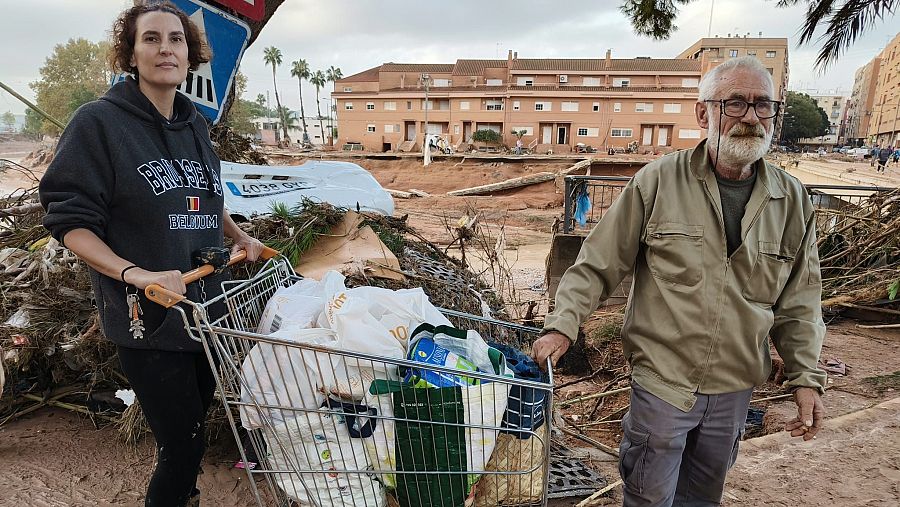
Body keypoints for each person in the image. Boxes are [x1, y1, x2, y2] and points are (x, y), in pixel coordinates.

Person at [532, 56, 826, 506]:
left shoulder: (792, 201)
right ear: (703, 112)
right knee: (649, 497)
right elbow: (598, 263)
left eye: (763, 105)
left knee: (702, 498)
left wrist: (806, 376)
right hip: (663, 382)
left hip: (734, 387)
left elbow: (800, 301)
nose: (750, 117)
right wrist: (562, 323)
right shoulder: (657, 182)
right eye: (735, 104)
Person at [38, 2, 265, 505]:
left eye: (177, 40)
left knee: (193, 433)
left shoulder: (194, 126)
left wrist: (238, 237)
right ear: (131, 53)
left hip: (205, 308)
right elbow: (68, 220)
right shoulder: (99, 124)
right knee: (181, 448)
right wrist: (136, 274)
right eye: (152, 39)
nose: (166, 48)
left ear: (191, 55)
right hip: (149, 316)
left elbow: (203, 196)